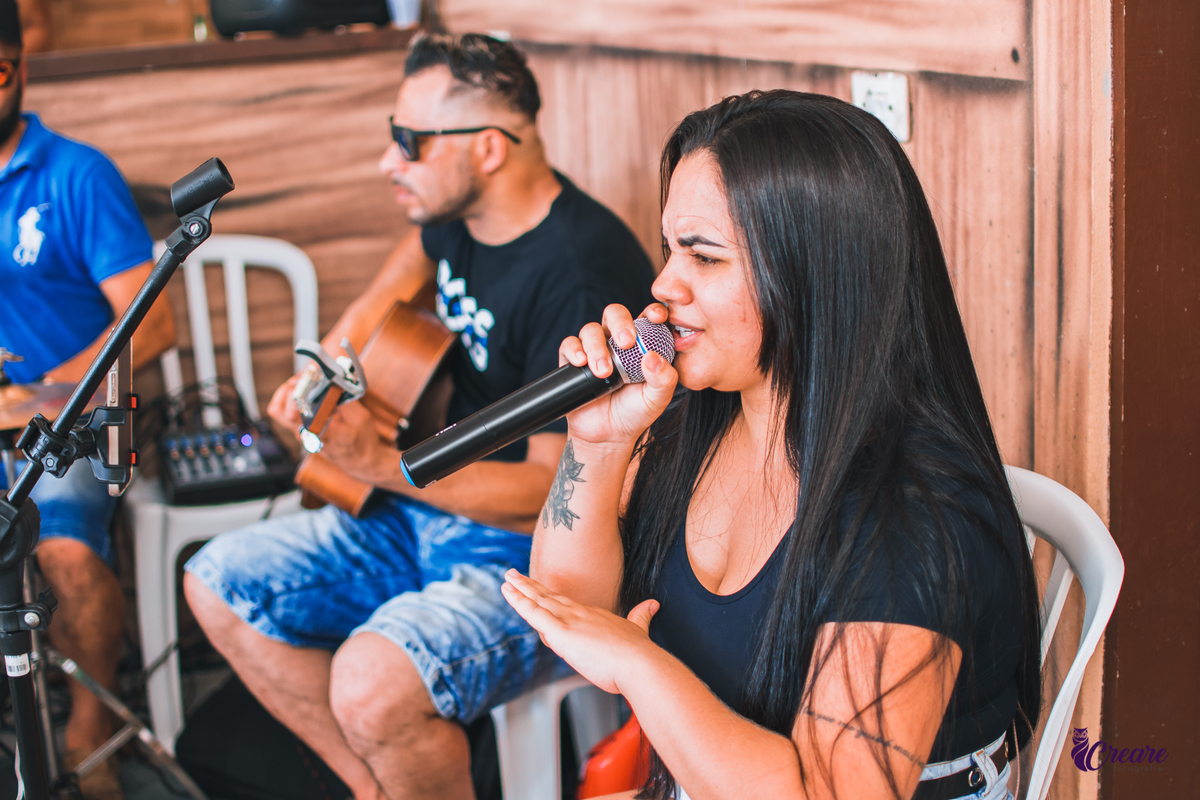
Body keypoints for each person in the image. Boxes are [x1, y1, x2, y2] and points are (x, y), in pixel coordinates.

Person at [501, 89, 1044, 800]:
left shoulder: (913, 518)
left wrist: (641, 668)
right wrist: (598, 444)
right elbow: (573, 607)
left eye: (705, 258)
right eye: (670, 249)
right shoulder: (697, 422)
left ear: (813, 275)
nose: (663, 284)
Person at [183, 32, 656, 800]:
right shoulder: (458, 214)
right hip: (416, 504)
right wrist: (325, 362)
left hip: (528, 553)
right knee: (216, 581)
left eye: (409, 142)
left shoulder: (580, 277)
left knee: (368, 685)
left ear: (491, 150)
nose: (388, 161)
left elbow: (548, 487)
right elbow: (402, 275)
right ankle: (370, 786)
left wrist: (384, 467)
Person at [0, 2, 176, 798]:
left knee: (63, 552)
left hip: (61, 424)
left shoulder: (77, 175)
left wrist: (38, 395)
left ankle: (86, 735)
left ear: (20, 66)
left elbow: (155, 323)